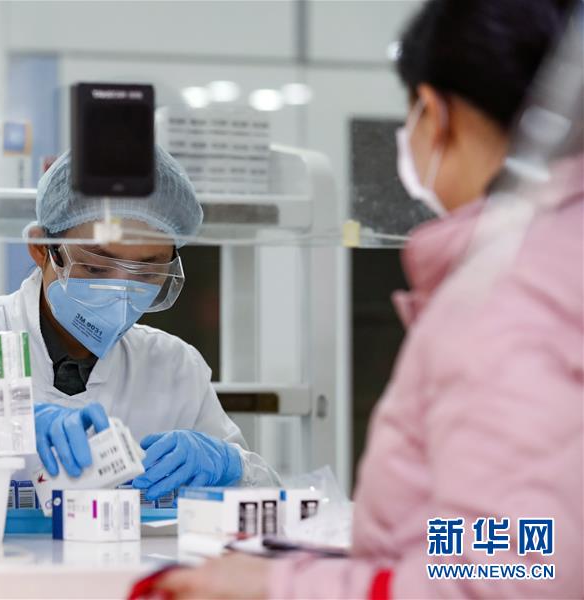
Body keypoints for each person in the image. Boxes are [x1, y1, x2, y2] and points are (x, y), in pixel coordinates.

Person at [148, 0, 582, 597]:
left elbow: (509, 573)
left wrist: (280, 586)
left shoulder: (510, 296)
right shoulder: (555, 264)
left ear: (434, 112)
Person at [0, 146, 281, 499]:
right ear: (41, 249)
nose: (119, 292)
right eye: (96, 267)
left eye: (146, 273)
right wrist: (2, 426)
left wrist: (232, 468)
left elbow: (268, 503)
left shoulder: (174, 367)